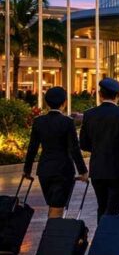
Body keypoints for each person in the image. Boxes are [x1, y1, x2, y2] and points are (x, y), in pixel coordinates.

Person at [23, 86, 88, 219]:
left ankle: (51, 229)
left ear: (46, 103)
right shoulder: (67, 122)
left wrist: (27, 169)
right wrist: (83, 171)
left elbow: (32, 147)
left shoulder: (38, 121)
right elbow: (74, 149)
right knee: (57, 207)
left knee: (53, 205)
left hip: (44, 170)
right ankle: (52, 231)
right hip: (63, 171)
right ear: (64, 103)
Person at [79, 77, 119, 221]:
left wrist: (98, 148)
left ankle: (101, 233)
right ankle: (110, 234)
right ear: (118, 95)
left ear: (100, 95)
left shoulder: (89, 114)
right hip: (117, 170)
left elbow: (83, 143)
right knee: (114, 209)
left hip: (97, 169)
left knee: (102, 206)